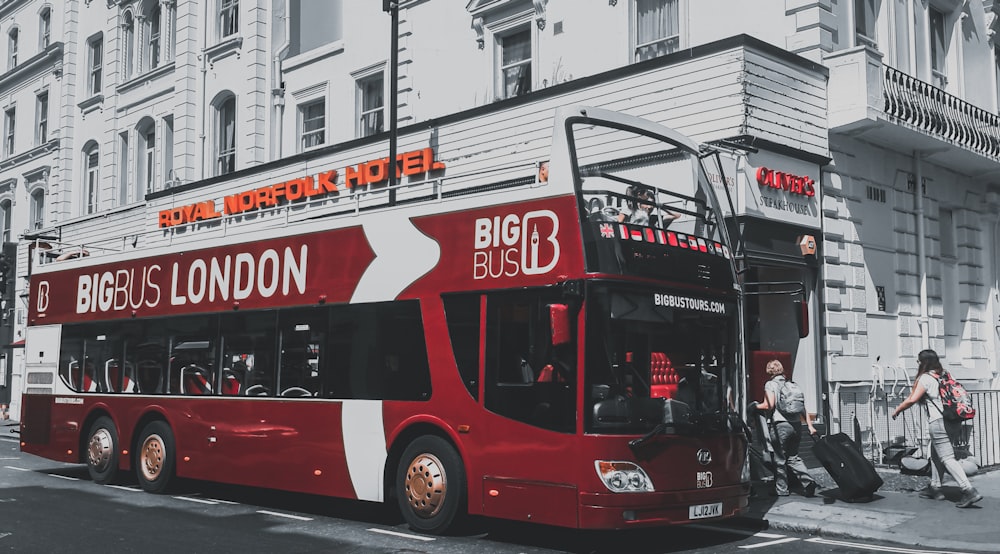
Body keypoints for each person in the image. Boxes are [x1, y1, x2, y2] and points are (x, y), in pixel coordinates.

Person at [892, 349, 982, 508]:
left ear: (924, 362)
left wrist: (898, 409)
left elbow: (913, 399)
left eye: (919, 361)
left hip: (939, 422)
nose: (918, 364)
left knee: (946, 457)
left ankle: (968, 490)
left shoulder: (925, 378)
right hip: (954, 420)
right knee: (935, 453)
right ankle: (935, 487)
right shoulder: (946, 374)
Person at [751, 359, 818, 497]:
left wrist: (754, 406)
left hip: (780, 426)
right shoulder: (792, 385)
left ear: (769, 371)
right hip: (797, 426)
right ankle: (808, 481)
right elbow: (802, 408)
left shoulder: (771, 384)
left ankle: (781, 490)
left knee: (779, 459)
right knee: (793, 457)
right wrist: (810, 426)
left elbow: (768, 405)